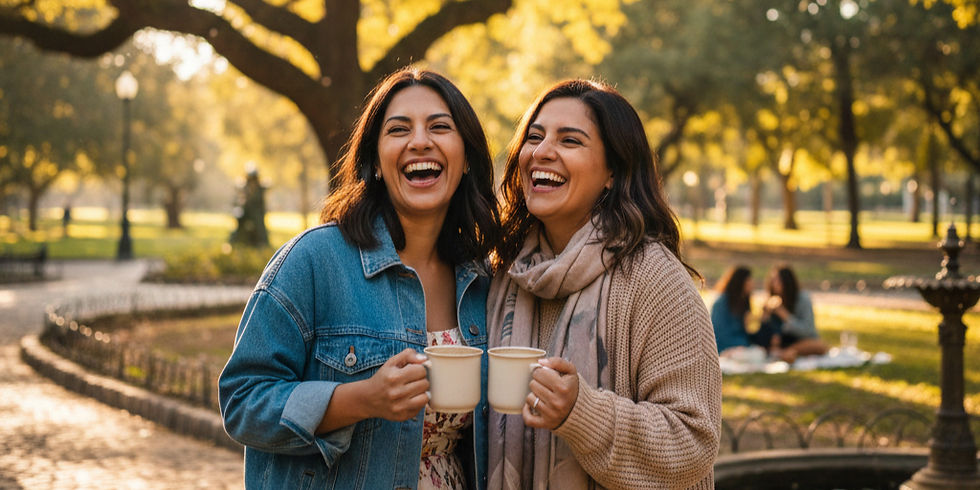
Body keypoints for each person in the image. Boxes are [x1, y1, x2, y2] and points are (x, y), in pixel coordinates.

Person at [219, 67, 501, 490]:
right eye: (399, 129)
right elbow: (242, 401)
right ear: (373, 162)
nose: (420, 141)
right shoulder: (314, 261)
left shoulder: (483, 282)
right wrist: (359, 400)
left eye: (440, 127)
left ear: (465, 160)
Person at [487, 79, 721, 489]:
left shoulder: (654, 278)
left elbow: (693, 442)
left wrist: (581, 412)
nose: (542, 152)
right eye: (534, 137)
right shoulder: (504, 274)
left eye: (570, 141)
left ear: (613, 171)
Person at [755, 264, 829, 362]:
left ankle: (785, 353)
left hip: (800, 342)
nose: (774, 285)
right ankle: (782, 353)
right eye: (773, 281)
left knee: (819, 346)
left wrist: (785, 315)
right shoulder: (770, 301)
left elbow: (808, 331)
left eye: (778, 281)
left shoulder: (802, 299)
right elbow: (764, 333)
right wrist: (765, 317)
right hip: (778, 343)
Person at [710, 265, 756, 355]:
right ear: (740, 282)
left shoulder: (743, 302)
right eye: (749, 280)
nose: (752, 284)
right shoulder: (721, 303)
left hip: (740, 347)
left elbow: (743, 333)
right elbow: (718, 333)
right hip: (723, 348)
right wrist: (741, 345)